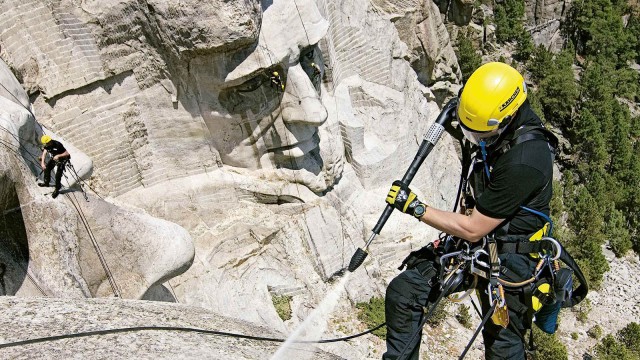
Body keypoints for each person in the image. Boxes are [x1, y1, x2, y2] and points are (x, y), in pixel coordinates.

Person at [383, 62, 559, 360]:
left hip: (512, 259)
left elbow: (473, 227)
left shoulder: (525, 160)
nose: (476, 141)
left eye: (481, 134)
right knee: (405, 292)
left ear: (509, 116)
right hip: (477, 245)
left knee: (503, 344)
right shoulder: (500, 122)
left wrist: (416, 207)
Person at [39, 134, 71, 198]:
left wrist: (58, 156)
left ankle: (57, 189)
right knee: (47, 168)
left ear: (49, 142)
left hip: (62, 159)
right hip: (54, 158)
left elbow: (67, 153)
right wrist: (42, 163)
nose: (45, 145)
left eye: (46, 143)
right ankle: (46, 183)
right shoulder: (47, 146)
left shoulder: (58, 144)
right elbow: (44, 153)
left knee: (58, 175)